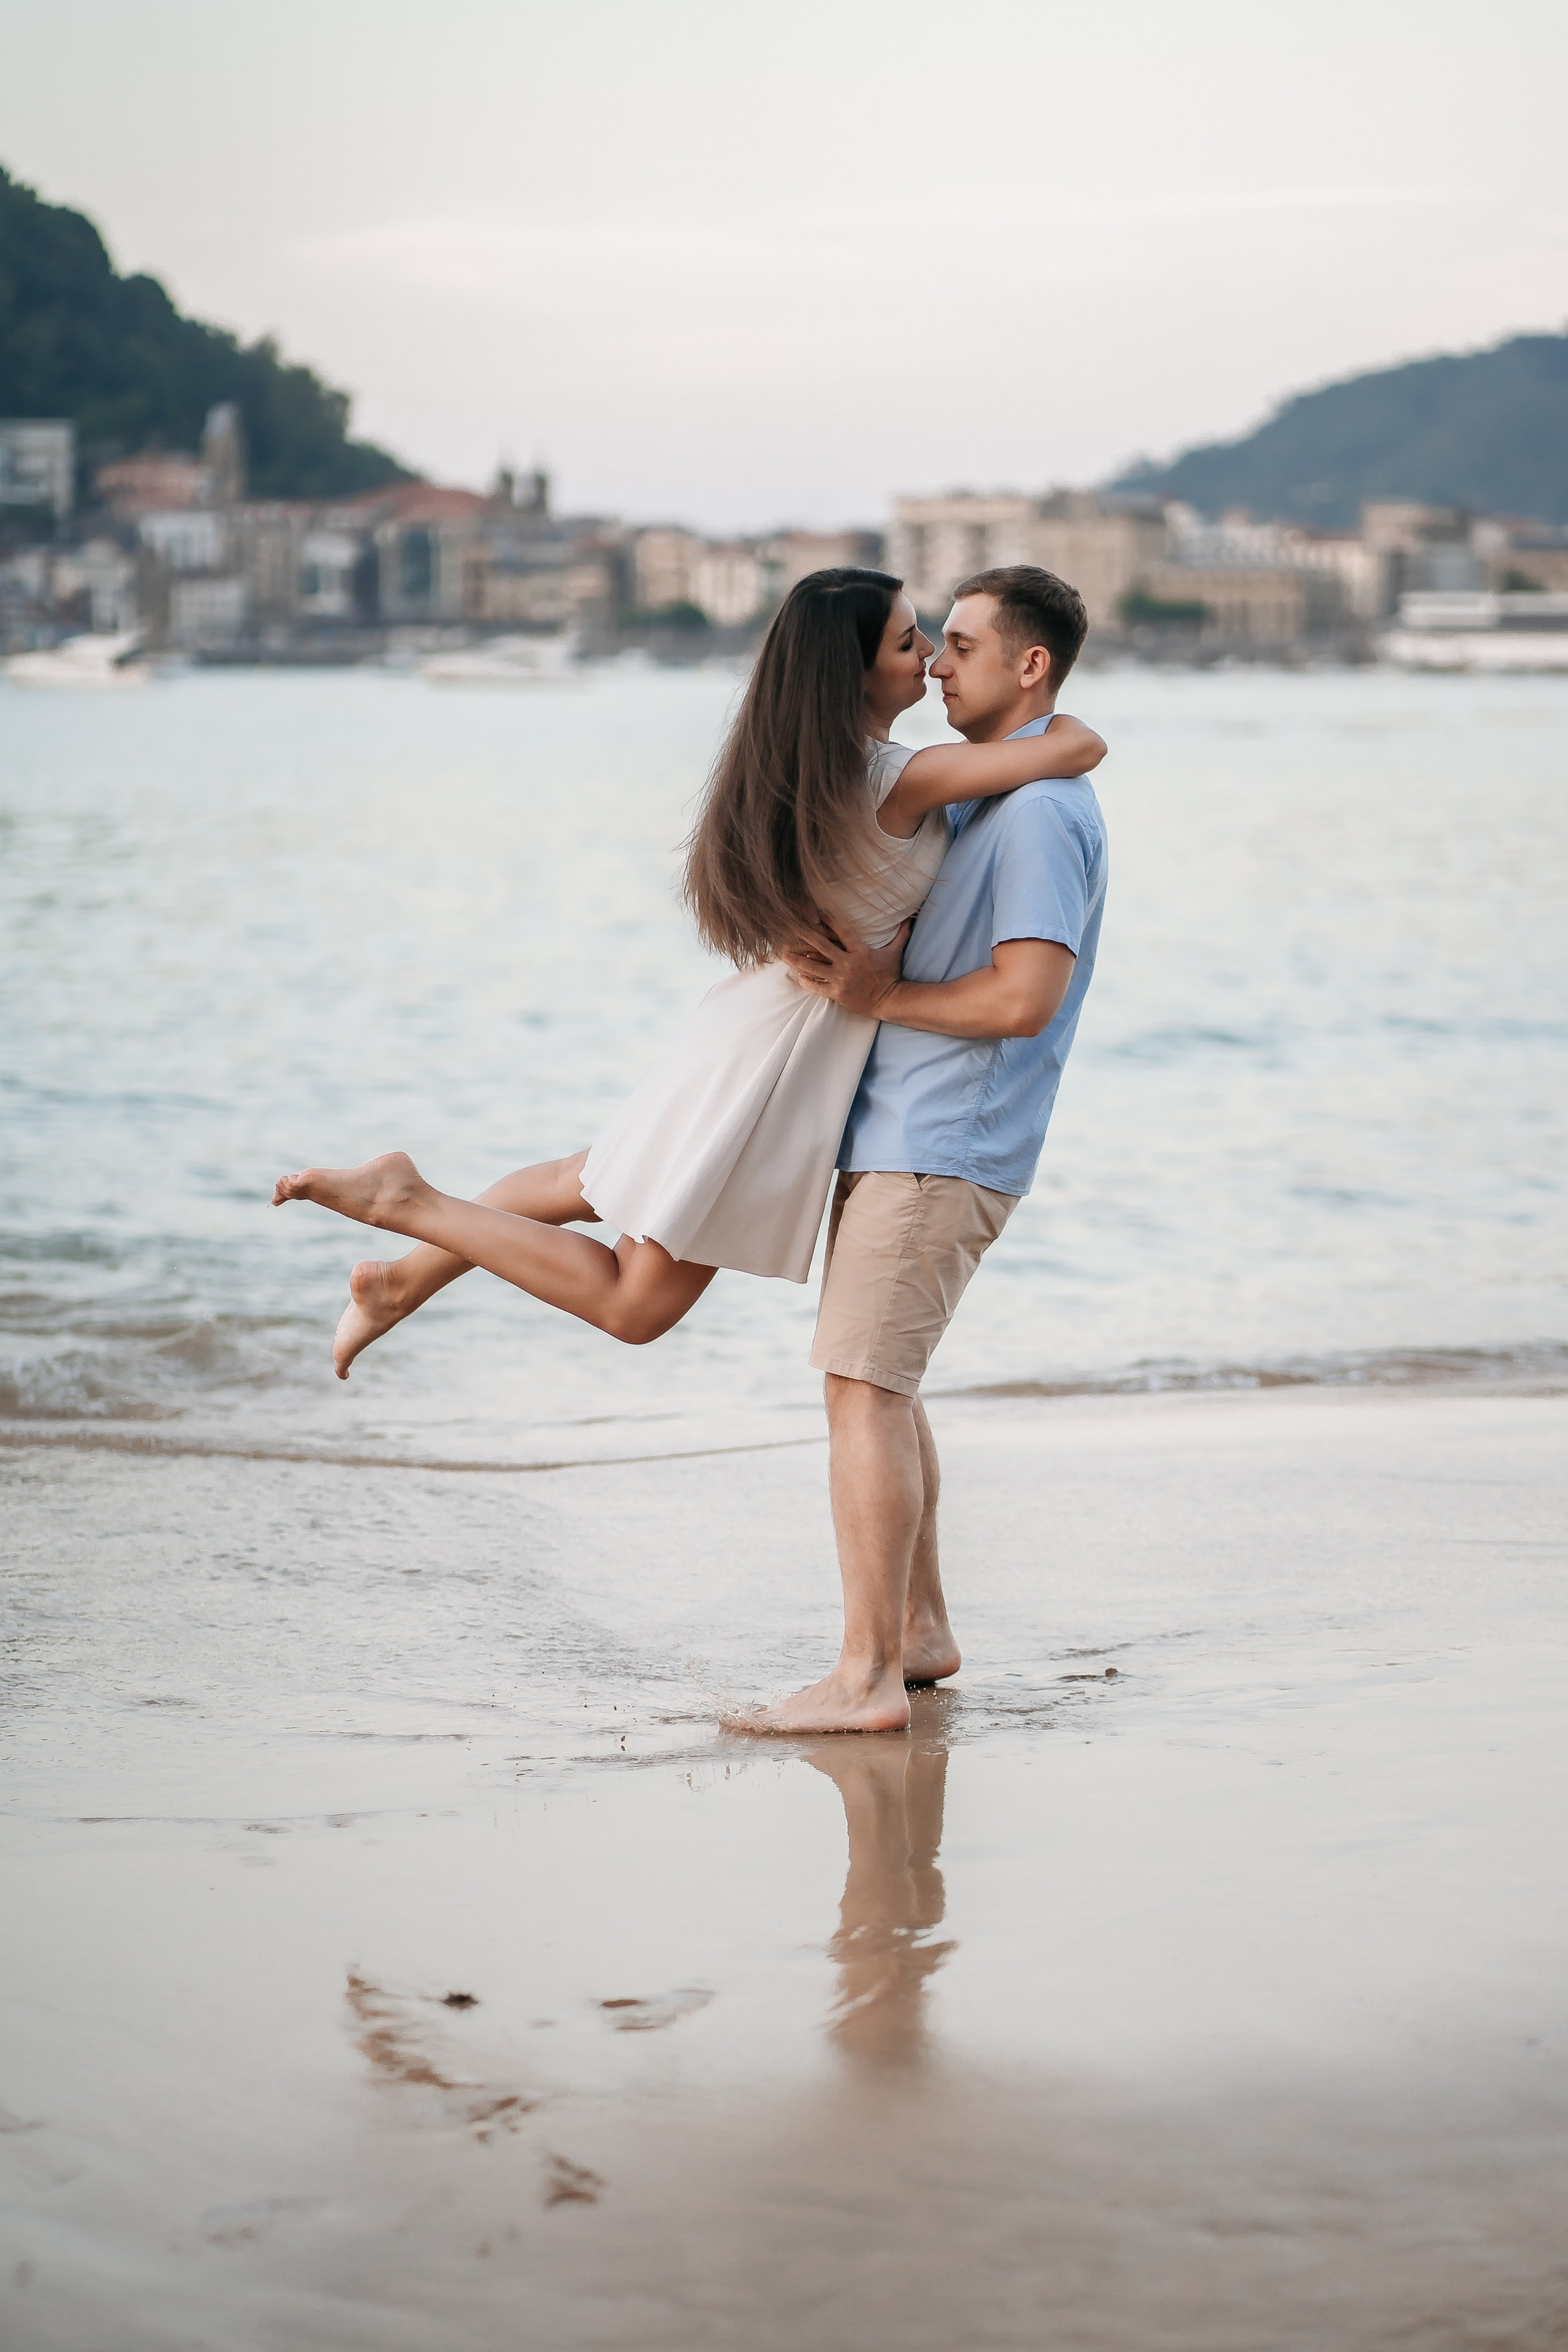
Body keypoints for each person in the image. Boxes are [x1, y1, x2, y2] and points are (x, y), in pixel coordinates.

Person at [272, 572, 1104, 1379]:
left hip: (757, 1030)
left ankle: (401, 1279)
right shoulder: (898, 778)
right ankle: (408, 1203)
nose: (927, 657)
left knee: (588, 1180)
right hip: (781, 1059)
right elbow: (1076, 744)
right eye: (907, 640)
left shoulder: (810, 773)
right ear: (846, 673)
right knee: (635, 1304)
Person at [752, 564, 1108, 1735]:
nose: (938, 665)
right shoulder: (990, 794)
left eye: (959, 645)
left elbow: (1024, 1000)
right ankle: (917, 1633)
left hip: (943, 1140)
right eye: (932, 644)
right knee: (880, 1388)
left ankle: (864, 1681)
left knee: (862, 1388)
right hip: (912, 1132)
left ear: (1030, 666)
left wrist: (880, 993)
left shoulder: (1044, 812)